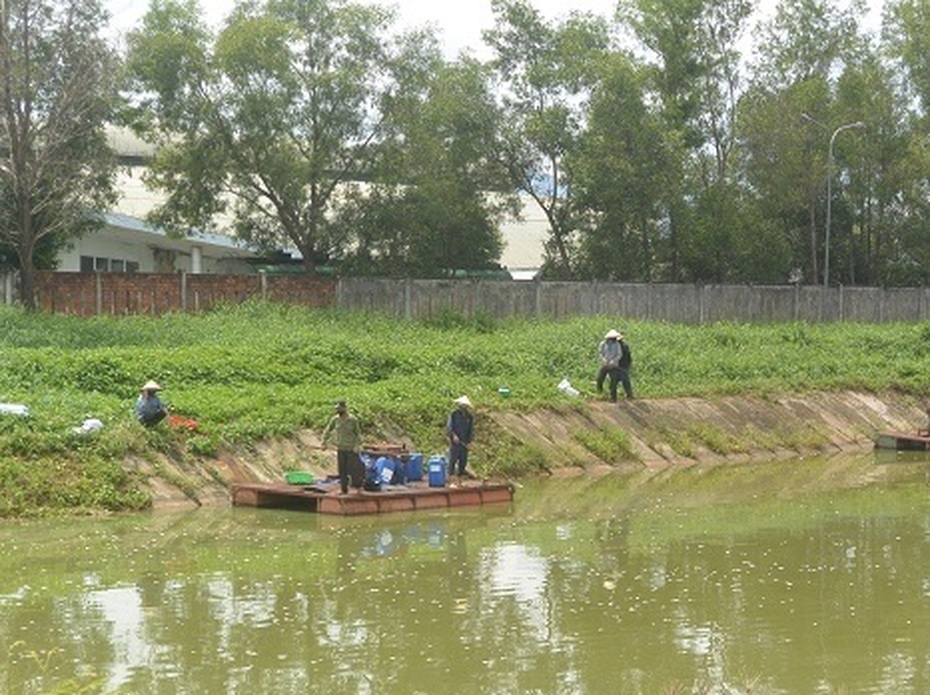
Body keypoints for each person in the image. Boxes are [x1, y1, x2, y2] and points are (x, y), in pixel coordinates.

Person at [321, 399, 364, 494]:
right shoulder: (335, 419)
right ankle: (344, 490)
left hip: (351, 450)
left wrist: (357, 446)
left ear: (344, 408)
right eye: (336, 409)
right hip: (341, 449)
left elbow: (358, 435)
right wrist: (324, 442)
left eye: (339, 408)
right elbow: (327, 430)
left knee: (354, 471)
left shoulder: (353, 420)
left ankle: (358, 489)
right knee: (342, 471)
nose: (337, 410)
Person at [596, 329, 633, 402]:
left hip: (614, 365)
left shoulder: (618, 345)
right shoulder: (603, 344)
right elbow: (601, 353)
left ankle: (614, 398)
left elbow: (619, 354)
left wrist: (614, 361)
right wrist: (603, 359)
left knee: (614, 381)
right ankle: (599, 393)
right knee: (599, 378)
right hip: (605, 364)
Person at [447, 395, 475, 483]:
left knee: (463, 460)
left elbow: (471, 430)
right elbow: (449, 427)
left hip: (464, 442)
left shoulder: (469, 417)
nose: (463, 407)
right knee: (453, 459)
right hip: (455, 442)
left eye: (464, 405)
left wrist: (470, 442)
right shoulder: (453, 414)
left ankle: (460, 477)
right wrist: (453, 435)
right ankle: (450, 476)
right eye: (461, 405)